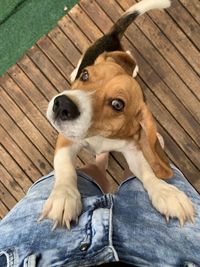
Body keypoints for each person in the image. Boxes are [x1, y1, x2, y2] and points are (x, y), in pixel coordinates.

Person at [0, 153, 200, 267]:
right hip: (174, 250)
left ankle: (99, 163)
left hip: (30, 249)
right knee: (149, 163)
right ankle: (146, 148)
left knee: (82, 176)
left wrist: (65, 185)